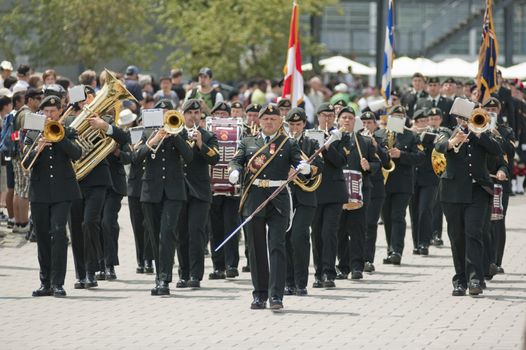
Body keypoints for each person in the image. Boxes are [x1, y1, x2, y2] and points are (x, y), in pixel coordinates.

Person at [228, 103, 310, 310]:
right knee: (255, 249)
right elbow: (236, 160)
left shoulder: (288, 143)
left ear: (280, 121)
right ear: (259, 121)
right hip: (254, 197)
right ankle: (259, 294)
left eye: (273, 119)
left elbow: (300, 161)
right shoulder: (248, 141)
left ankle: (276, 295)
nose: (269, 122)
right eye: (265, 119)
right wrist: (235, 171)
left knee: (277, 246)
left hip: (278, 198)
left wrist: (305, 167)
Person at [435, 107, 501, 296]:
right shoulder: (446, 131)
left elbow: (497, 150)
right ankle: (460, 280)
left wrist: (478, 132)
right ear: (456, 117)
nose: (465, 120)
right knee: (457, 237)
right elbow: (439, 146)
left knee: (474, 233)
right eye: (462, 117)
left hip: (477, 191)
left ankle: (475, 279)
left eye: (468, 116)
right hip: (452, 192)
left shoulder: (483, 132)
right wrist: (453, 141)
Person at [24, 95, 82, 297]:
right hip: (39, 192)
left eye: (53, 111)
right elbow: (24, 162)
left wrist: (60, 138)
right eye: (46, 112)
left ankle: (58, 283)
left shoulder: (69, 130)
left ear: (60, 111)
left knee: (58, 233)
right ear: (41, 112)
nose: (49, 115)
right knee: (42, 236)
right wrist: (37, 148)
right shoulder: (32, 132)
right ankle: (45, 282)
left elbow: (77, 153)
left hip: (62, 192)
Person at [136, 109, 193, 296]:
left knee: (167, 234)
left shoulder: (181, 132)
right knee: (154, 236)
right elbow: (135, 158)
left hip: (174, 192)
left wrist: (174, 135)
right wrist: (152, 141)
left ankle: (164, 278)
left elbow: (189, 156)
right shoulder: (145, 133)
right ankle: (159, 277)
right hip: (151, 192)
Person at [175, 99, 219, 288]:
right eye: (189, 113)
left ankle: (195, 275)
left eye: (196, 113)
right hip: (178, 190)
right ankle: (183, 273)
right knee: (181, 233)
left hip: (200, 192)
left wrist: (201, 143)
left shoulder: (208, 136)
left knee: (196, 232)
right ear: (183, 115)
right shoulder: (174, 134)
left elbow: (215, 158)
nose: (193, 116)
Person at [335, 107, 379, 280]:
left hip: (360, 190)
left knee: (358, 229)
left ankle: (357, 266)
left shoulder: (364, 142)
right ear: (338, 120)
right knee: (339, 229)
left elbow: (377, 164)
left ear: (355, 121)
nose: (347, 121)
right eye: (344, 117)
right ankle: (343, 266)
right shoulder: (334, 140)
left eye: (350, 118)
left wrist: (369, 166)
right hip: (338, 190)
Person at [377, 106, 424, 265]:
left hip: (403, 183)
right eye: (394, 116)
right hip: (383, 183)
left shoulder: (411, 136)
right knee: (387, 218)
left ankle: (397, 251)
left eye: (400, 116)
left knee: (398, 216)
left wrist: (401, 154)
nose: (397, 118)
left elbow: (420, 157)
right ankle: (390, 249)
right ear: (388, 118)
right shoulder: (379, 135)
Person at [284, 107, 324, 296]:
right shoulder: (282, 143)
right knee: (285, 238)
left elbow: (320, 165)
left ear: (304, 124)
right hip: (285, 197)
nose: (294, 128)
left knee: (298, 237)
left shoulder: (311, 143)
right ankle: (288, 281)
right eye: (291, 124)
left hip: (306, 198)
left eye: (298, 124)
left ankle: (301, 283)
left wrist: (308, 169)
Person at [311, 103, 349, 288]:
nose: (327, 118)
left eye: (330, 115)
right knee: (316, 234)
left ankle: (329, 272)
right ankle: (318, 272)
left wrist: (327, 146)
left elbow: (341, 161)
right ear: (318, 116)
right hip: (314, 190)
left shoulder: (341, 136)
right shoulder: (310, 134)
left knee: (329, 233)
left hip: (334, 192)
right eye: (324, 115)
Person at [208, 101, 243, 279]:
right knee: (214, 228)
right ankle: (217, 266)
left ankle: (231, 265)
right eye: (218, 114)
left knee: (231, 226)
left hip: (232, 188)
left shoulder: (239, 131)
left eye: (224, 114)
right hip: (212, 187)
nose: (221, 117)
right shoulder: (206, 132)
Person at [482, 97, 515, 274]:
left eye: (494, 109)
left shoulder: (506, 131)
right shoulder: (477, 127)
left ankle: (497, 260)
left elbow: (510, 151)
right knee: (483, 222)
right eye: (487, 109)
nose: (490, 112)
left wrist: (496, 135)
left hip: (500, 181)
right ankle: (487, 261)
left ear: (499, 111)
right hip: (482, 180)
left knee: (498, 221)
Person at [361, 111, 390, 272]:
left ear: (375, 124)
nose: (366, 126)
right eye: (363, 123)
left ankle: (367, 259)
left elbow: (386, 162)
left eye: (369, 123)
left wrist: (375, 146)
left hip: (376, 187)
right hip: (359, 186)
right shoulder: (356, 139)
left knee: (371, 224)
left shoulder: (380, 139)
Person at [409, 109, 440, 256]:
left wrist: (422, 137)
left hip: (429, 178)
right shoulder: (409, 136)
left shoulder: (433, 136)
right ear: (414, 123)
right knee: (414, 212)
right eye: (419, 121)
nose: (422, 123)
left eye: (424, 121)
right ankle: (416, 243)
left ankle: (424, 243)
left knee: (425, 210)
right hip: (412, 178)